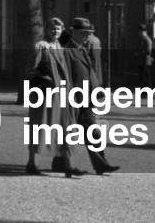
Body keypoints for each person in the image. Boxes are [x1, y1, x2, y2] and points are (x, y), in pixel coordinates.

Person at [64, 17, 120, 176]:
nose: (86, 36)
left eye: (88, 33)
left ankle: (101, 164)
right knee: (70, 133)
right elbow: (66, 76)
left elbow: (89, 73)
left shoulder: (82, 49)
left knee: (93, 132)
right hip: (74, 99)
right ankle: (63, 163)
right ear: (73, 32)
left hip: (86, 99)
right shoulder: (68, 50)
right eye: (83, 33)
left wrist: (97, 90)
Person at [25, 17, 69, 175]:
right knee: (38, 126)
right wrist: (44, 79)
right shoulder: (41, 46)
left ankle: (57, 160)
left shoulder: (60, 47)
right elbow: (31, 69)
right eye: (52, 28)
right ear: (47, 29)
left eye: (58, 29)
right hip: (43, 93)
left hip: (58, 94)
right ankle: (31, 162)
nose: (55, 31)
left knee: (57, 126)